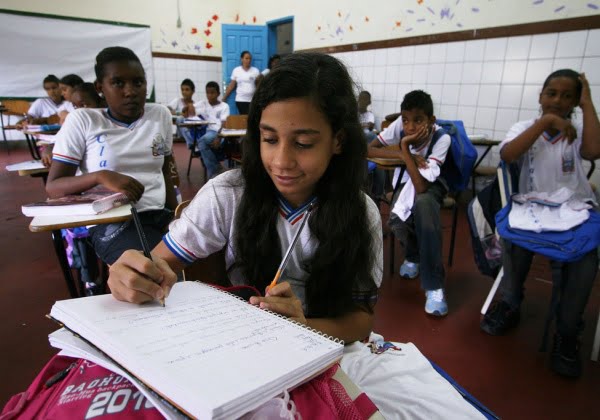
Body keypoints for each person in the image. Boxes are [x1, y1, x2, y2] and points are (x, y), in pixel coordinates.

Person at [107, 53, 484, 420]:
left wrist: (304, 327)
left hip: (323, 352)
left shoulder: (360, 212)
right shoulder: (229, 194)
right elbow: (160, 262)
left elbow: (359, 322)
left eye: (303, 143)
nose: (282, 162)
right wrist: (136, 275)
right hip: (236, 358)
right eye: (269, 139)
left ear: (337, 140)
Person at [480, 70, 600, 378]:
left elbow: (593, 151)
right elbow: (507, 154)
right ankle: (510, 302)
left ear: (575, 101)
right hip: (532, 205)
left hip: (572, 207)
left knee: (585, 256)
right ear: (540, 96)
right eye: (552, 93)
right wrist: (546, 122)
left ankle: (568, 331)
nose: (558, 101)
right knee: (514, 239)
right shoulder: (524, 127)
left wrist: (587, 104)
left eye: (567, 95)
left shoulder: (579, 132)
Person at [46, 46, 176, 291]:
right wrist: (100, 176)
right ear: (100, 88)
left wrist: (174, 214)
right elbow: (53, 187)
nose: (130, 92)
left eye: (138, 82)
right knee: (154, 274)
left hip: (160, 214)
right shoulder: (84, 120)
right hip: (114, 220)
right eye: (118, 83)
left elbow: (165, 172)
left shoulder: (159, 115)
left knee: (207, 258)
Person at [368, 90, 451, 316]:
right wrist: (405, 155)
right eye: (406, 120)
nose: (410, 126)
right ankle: (414, 255)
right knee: (396, 220)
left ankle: (434, 285)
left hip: (432, 185)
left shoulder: (442, 138)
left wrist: (404, 148)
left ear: (431, 121)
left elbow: (423, 186)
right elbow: (369, 148)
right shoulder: (400, 125)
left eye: (418, 120)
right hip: (407, 183)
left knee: (423, 205)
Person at [40, 83, 105, 168]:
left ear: (100, 104)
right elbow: (58, 139)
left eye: (84, 105)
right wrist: (49, 149)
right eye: (75, 107)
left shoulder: (106, 121)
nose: (78, 111)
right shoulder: (76, 121)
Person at [191, 81, 230, 179]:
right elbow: (190, 108)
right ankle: (216, 170)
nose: (209, 95)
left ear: (218, 94)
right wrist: (189, 106)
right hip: (207, 132)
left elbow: (224, 124)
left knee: (202, 142)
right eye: (207, 93)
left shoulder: (224, 106)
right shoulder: (203, 104)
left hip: (218, 132)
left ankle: (214, 170)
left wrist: (218, 137)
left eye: (212, 93)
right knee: (203, 142)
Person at [222, 50, 260, 115]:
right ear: (242, 59)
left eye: (250, 58)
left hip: (252, 100)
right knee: (244, 118)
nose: (249, 60)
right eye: (246, 58)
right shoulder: (236, 70)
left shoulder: (255, 71)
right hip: (240, 100)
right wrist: (224, 97)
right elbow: (231, 86)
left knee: (252, 118)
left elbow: (259, 86)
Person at [168, 79, 200, 150]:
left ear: (193, 91)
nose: (184, 92)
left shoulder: (195, 105)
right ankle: (192, 143)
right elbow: (167, 110)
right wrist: (180, 113)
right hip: (181, 132)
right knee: (180, 119)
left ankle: (193, 143)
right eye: (182, 90)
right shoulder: (177, 101)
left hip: (192, 130)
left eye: (187, 90)